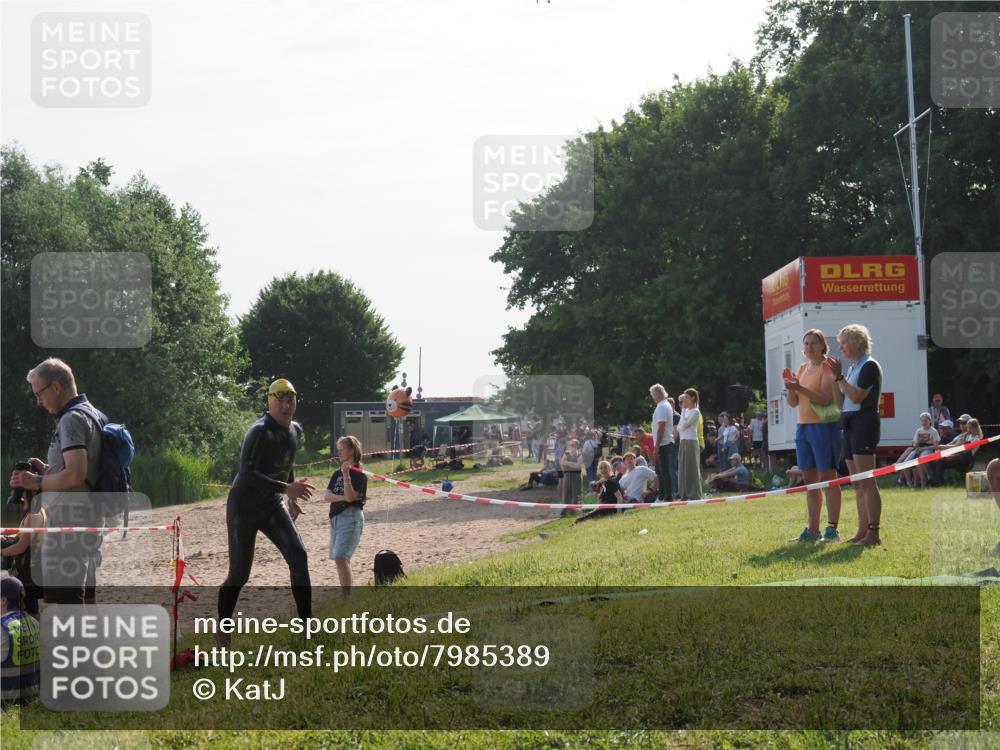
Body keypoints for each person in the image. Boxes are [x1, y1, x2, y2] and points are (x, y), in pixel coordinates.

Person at [217, 379, 315, 644]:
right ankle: (223, 632)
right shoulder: (258, 431)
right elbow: (247, 474)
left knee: (299, 555)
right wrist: (287, 489)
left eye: (290, 400)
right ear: (270, 402)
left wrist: (291, 496)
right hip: (243, 507)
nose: (286, 406)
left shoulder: (295, 430)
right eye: (280, 401)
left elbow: (286, 462)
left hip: (271, 503)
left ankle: (307, 626)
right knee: (239, 573)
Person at [8, 359, 104, 605]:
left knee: (65, 604)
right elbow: (79, 472)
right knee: (77, 600)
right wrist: (48, 470)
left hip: (68, 523)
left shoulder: (71, 419)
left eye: (39, 394)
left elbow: (75, 475)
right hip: (85, 517)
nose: (39, 401)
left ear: (56, 386)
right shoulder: (91, 412)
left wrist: (36, 480)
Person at [782, 329, 843, 543]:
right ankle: (813, 529)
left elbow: (826, 399)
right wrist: (790, 388)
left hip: (823, 427)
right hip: (803, 427)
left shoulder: (827, 367)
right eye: (806, 343)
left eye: (813, 343)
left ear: (822, 346)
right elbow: (793, 402)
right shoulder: (802, 368)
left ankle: (832, 529)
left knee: (828, 479)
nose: (809, 347)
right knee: (810, 481)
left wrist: (800, 388)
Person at [829, 324, 883, 546]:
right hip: (850, 422)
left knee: (867, 481)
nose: (840, 347)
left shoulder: (869, 366)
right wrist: (834, 378)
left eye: (843, 342)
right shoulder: (852, 368)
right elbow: (841, 402)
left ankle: (874, 533)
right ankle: (862, 531)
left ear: (856, 342)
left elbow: (857, 396)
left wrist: (840, 377)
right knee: (857, 483)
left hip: (864, 422)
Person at [325, 436, 367, 596]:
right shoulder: (337, 473)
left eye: (342, 449)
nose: (339, 452)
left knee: (341, 556)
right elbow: (327, 496)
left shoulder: (359, 474)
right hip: (336, 517)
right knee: (339, 558)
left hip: (350, 517)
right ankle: (347, 593)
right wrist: (343, 497)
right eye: (338, 449)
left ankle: (347, 596)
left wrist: (347, 475)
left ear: (351, 450)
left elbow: (351, 497)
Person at [0, 489, 46, 617]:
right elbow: (23, 537)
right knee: (28, 608)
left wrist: (2, 552)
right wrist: (5, 537)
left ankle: (34, 636)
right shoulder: (32, 514)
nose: (19, 497)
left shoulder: (34, 515)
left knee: (31, 610)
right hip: (29, 566)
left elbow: (21, 547)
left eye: (22, 494)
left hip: (29, 568)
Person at [0, 576, 41, 706]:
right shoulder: (33, 622)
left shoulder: (2, 627)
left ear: (3, 600)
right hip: (30, 694)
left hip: (6, 697)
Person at [896, 412, 940, 490]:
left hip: (928, 448)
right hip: (919, 448)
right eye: (922, 421)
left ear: (930, 421)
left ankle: (928, 475)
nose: (924, 422)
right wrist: (917, 446)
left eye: (926, 420)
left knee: (921, 460)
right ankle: (909, 484)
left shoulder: (933, 431)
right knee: (905, 462)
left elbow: (936, 446)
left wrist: (923, 449)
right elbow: (914, 443)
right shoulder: (918, 430)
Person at [935, 416, 982, 485]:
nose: (969, 429)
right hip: (960, 456)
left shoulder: (976, 439)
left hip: (966, 458)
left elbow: (965, 450)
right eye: (968, 428)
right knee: (939, 460)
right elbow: (959, 447)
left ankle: (940, 483)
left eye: (971, 428)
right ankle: (938, 482)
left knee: (941, 461)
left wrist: (951, 454)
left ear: (976, 428)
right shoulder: (967, 436)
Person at [649, 384, 675, 502]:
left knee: (664, 471)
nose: (652, 397)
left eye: (653, 394)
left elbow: (661, 427)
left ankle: (668, 497)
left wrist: (657, 446)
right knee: (660, 471)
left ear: (657, 394)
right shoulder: (665, 405)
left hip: (663, 443)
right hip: (664, 442)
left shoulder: (662, 407)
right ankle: (662, 495)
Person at [677, 388, 703, 501]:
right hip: (683, 441)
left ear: (693, 398)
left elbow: (685, 425)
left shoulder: (696, 411)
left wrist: (682, 413)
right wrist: (683, 410)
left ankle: (694, 494)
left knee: (691, 469)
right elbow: (679, 427)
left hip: (691, 442)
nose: (684, 400)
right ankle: (684, 494)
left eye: (687, 397)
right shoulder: (685, 411)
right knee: (682, 469)